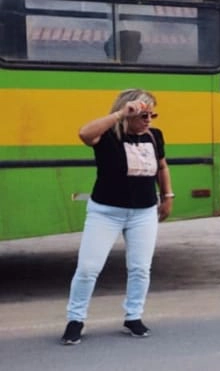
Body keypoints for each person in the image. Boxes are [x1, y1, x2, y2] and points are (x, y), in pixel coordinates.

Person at [62, 90, 173, 345]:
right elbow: (84, 133)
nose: (149, 120)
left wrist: (168, 196)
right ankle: (75, 319)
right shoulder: (108, 137)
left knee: (140, 268)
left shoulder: (154, 136)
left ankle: (134, 316)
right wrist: (121, 114)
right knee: (89, 268)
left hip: (143, 212)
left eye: (152, 114)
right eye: (143, 114)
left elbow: (163, 166)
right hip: (106, 212)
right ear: (129, 112)